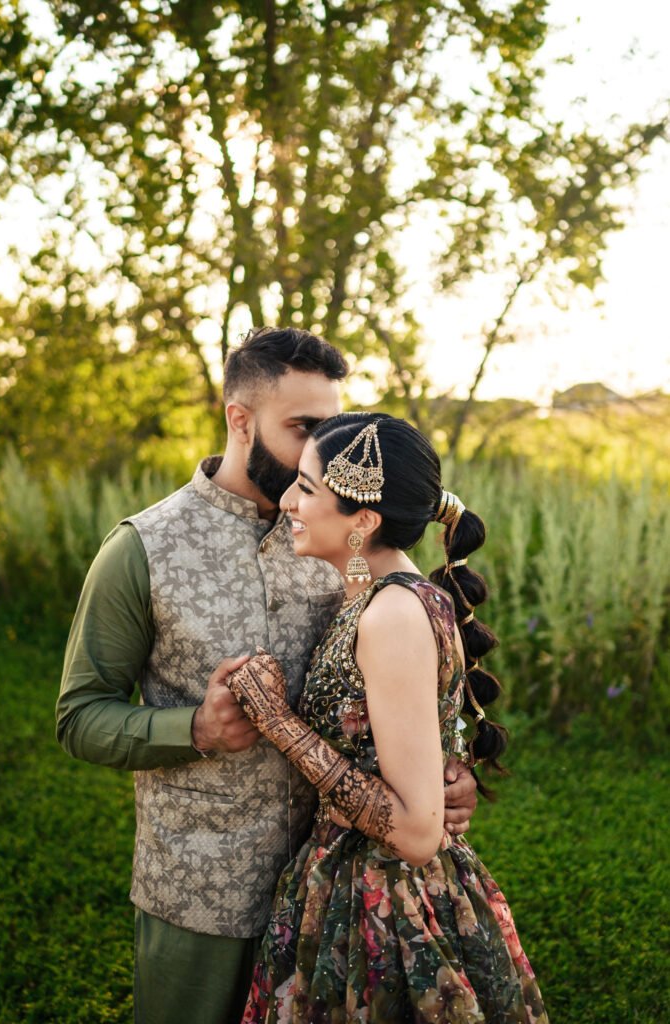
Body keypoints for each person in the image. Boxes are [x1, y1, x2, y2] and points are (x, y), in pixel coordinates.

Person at [55, 327, 479, 1024]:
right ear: (240, 420)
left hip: (330, 896)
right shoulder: (142, 550)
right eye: (304, 428)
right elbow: (79, 717)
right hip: (198, 891)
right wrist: (195, 727)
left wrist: (439, 772)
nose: (322, 450)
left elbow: (399, 669)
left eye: (332, 428)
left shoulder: (338, 537)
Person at [226, 412, 549, 1023]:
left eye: (308, 488)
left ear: (364, 520)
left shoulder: (392, 614)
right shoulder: (381, 595)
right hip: (351, 881)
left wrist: (276, 720)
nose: (289, 501)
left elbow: (415, 832)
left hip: (385, 903)